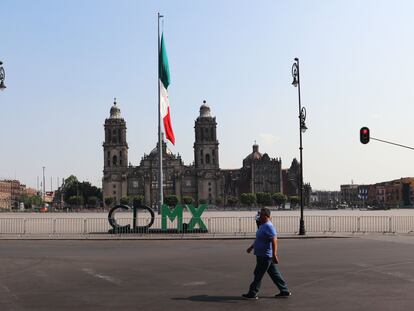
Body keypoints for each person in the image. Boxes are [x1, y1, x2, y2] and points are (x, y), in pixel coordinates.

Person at [242, 207, 291, 300]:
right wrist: (251, 247)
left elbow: (274, 240)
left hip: (265, 255)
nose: (259, 216)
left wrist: (274, 255)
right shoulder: (262, 225)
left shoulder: (269, 226)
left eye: (261, 215)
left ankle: (252, 293)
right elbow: (259, 239)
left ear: (265, 216)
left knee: (258, 274)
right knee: (274, 273)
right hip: (262, 254)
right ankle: (284, 291)